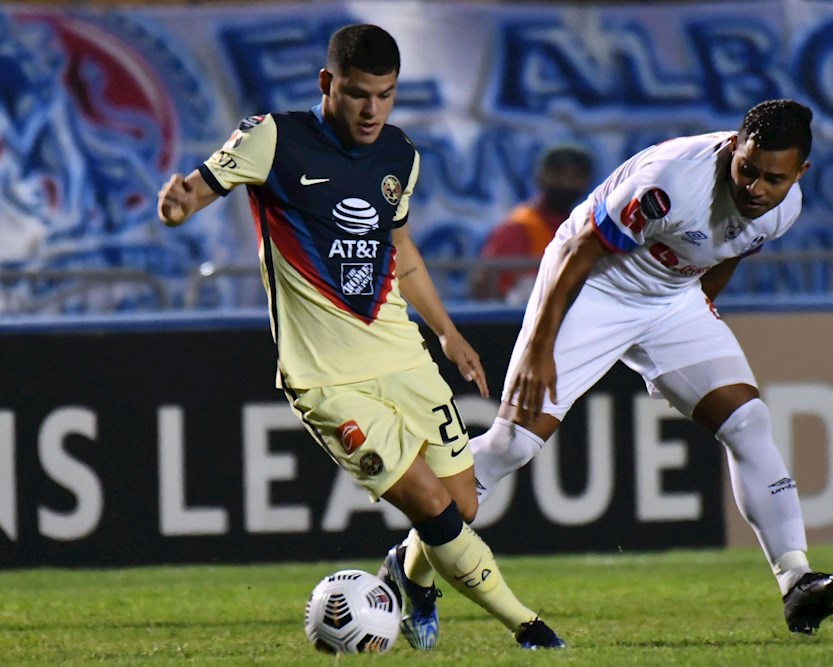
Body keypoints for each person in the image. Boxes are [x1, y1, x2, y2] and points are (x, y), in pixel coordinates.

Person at [157, 24, 564, 651]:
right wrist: (179, 205)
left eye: (386, 95)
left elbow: (399, 250)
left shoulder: (399, 155)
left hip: (401, 353)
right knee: (431, 504)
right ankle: (529, 628)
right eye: (357, 94)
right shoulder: (272, 139)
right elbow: (195, 194)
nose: (372, 109)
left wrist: (449, 334)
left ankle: (407, 576)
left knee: (463, 504)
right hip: (327, 378)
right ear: (328, 84)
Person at [470, 99, 833, 635]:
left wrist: (700, 310)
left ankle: (797, 584)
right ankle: (410, 554)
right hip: (597, 287)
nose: (755, 187)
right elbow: (579, 252)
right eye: (746, 169)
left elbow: (729, 248)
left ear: (800, 174)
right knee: (512, 445)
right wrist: (541, 347)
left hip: (671, 299)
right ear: (732, 146)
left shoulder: (784, 207)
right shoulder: (671, 184)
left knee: (748, 423)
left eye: (773, 178)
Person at [471, 144, 594, 303]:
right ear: (540, 177)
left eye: (576, 176)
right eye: (558, 173)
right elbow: (483, 286)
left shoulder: (585, 225)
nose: (566, 183)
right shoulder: (519, 226)